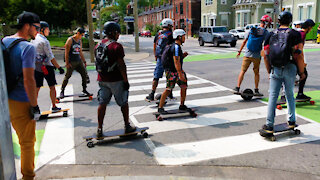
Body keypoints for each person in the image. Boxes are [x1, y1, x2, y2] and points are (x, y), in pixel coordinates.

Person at [2, 11, 41, 180]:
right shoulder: (28, 48)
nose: (37, 31)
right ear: (27, 26)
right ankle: (28, 176)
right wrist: (34, 105)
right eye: (36, 27)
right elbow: (29, 80)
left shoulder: (3, 42)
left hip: (4, 100)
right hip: (21, 100)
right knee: (26, 143)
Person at [261, 11, 306, 134]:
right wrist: (302, 72)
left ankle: (269, 124)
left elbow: (265, 55)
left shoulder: (270, 34)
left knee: (273, 97)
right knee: (290, 94)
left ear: (279, 21)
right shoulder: (295, 34)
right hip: (290, 67)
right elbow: (299, 55)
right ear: (290, 21)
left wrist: (269, 70)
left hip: (275, 68)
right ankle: (291, 121)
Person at [96, 21, 136, 137]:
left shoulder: (98, 45)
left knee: (102, 103)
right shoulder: (116, 46)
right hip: (116, 80)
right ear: (113, 33)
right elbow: (121, 65)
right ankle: (127, 125)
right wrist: (126, 81)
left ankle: (99, 128)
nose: (118, 35)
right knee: (123, 103)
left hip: (102, 80)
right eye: (117, 33)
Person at [233, 15, 272, 96]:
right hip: (256, 56)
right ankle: (256, 90)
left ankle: (237, 87)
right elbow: (267, 44)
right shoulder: (265, 32)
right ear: (267, 23)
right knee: (256, 73)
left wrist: (239, 51)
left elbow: (244, 42)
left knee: (243, 71)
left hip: (247, 54)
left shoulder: (252, 29)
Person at [31, 21, 65, 112]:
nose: (49, 31)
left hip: (36, 67)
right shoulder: (44, 41)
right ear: (42, 29)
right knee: (52, 86)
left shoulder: (33, 39)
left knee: (36, 88)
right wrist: (59, 67)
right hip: (46, 67)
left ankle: (33, 107)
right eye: (47, 29)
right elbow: (51, 56)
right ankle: (54, 106)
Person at [158, 29, 189, 113]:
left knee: (184, 86)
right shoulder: (176, 47)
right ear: (179, 37)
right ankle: (160, 108)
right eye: (183, 36)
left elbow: (176, 58)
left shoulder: (175, 46)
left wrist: (182, 56)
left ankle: (182, 105)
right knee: (168, 89)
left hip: (175, 70)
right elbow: (176, 61)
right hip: (172, 71)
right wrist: (180, 74)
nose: (184, 38)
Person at [145, 18, 174, 101]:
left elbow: (155, 45)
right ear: (169, 26)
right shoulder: (171, 35)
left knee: (156, 76)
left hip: (159, 58)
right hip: (168, 58)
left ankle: (152, 93)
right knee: (169, 76)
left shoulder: (158, 34)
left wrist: (155, 55)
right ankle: (169, 93)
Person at [60, 27, 92, 97]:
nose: (82, 36)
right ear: (78, 33)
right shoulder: (70, 40)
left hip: (78, 61)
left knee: (84, 74)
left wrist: (84, 61)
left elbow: (80, 51)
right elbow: (66, 52)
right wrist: (67, 63)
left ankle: (84, 89)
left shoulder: (79, 41)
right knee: (67, 76)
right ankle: (62, 91)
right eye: (81, 35)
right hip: (72, 61)